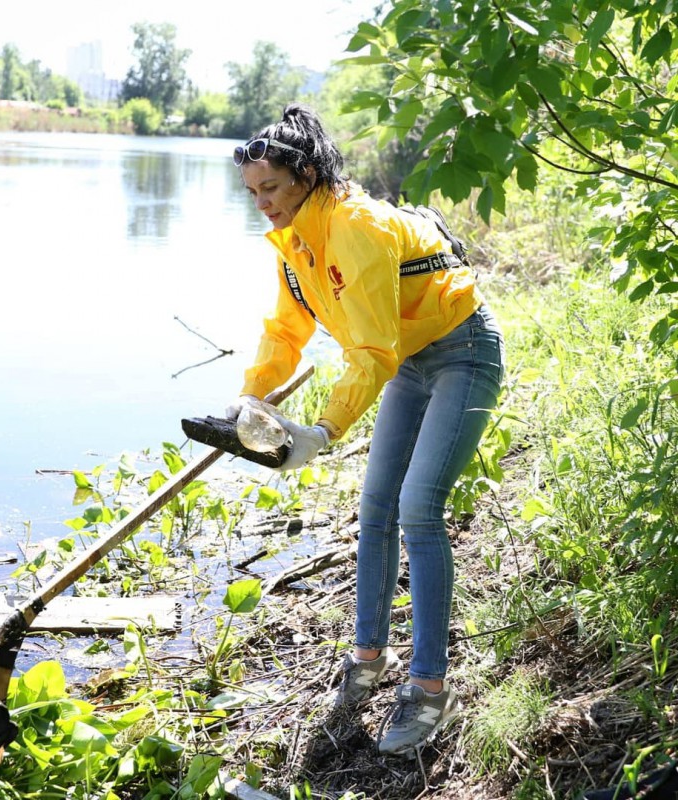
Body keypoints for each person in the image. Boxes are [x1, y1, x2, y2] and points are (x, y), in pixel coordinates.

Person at [224, 103, 505, 757]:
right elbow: (286, 331)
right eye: (253, 193)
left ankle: (430, 689)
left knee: (417, 508)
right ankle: (367, 659)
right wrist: (250, 399)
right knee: (375, 507)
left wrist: (321, 431)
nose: (262, 204)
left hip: (463, 351)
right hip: (410, 363)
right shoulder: (295, 243)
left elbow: (371, 352)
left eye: (271, 189)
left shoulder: (355, 226)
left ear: (307, 174)